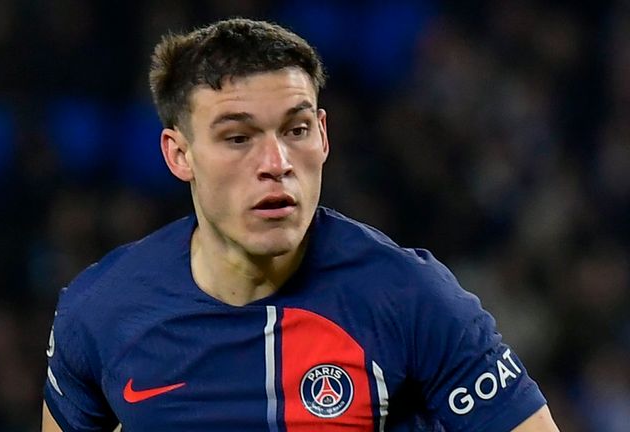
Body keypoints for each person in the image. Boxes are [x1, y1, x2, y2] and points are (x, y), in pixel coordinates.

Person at [42, 18, 560, 431]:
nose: (276, 161)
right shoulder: (100, 311)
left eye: (296, 129)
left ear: (324, 135)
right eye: (238, 137)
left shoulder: (411, 299)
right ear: (179, 154)